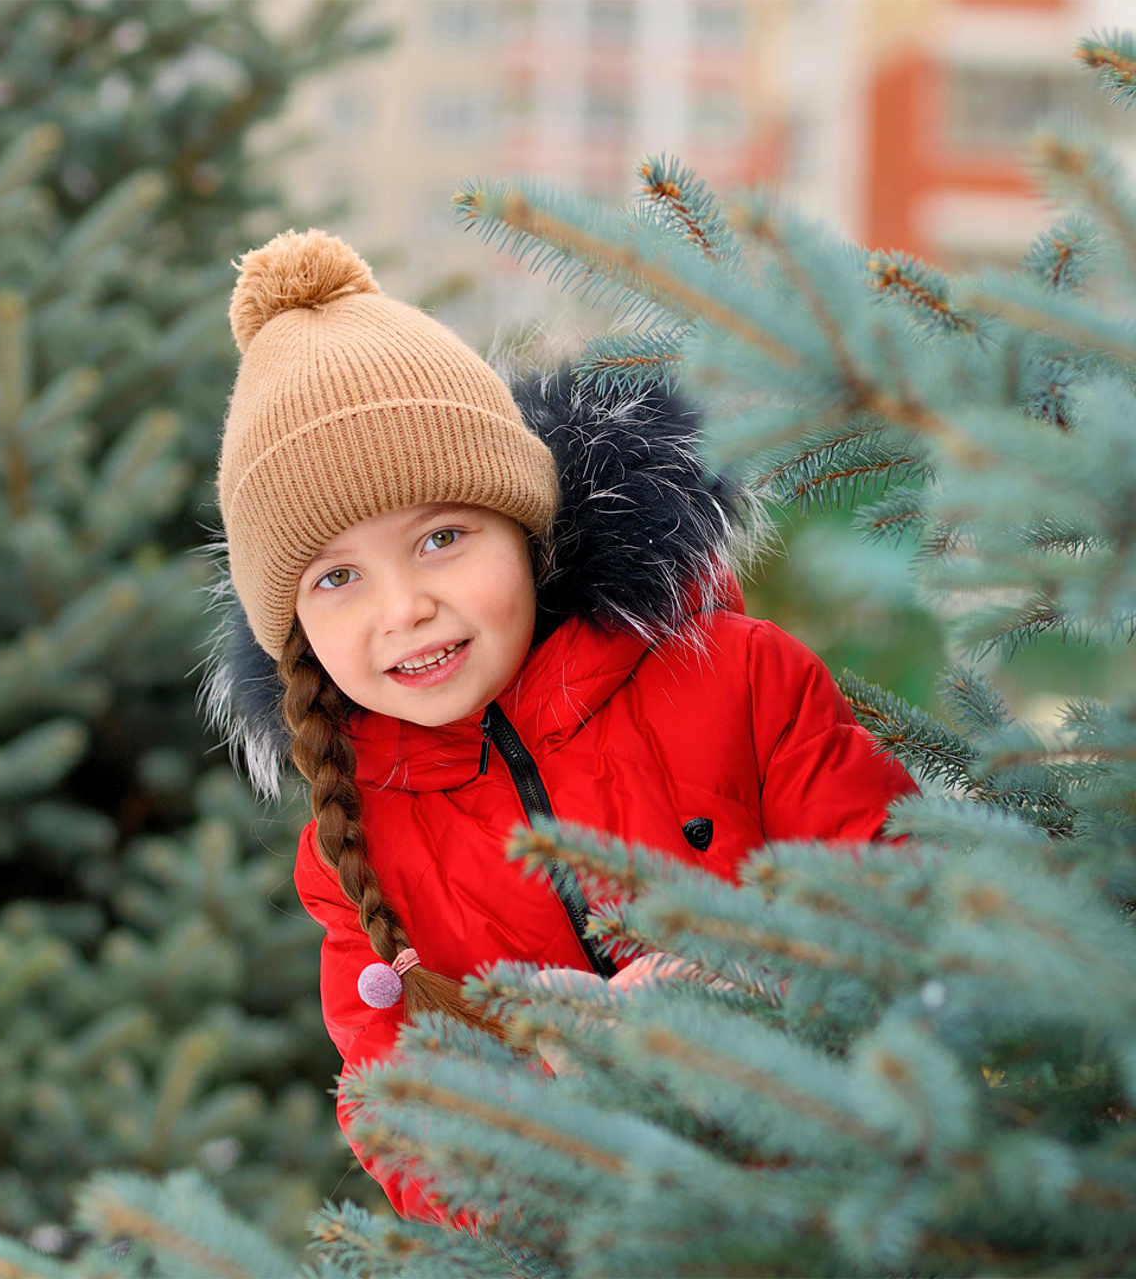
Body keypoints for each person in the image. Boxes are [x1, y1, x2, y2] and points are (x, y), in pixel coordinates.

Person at [205, 229, 917, 1220]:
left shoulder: (739, 679)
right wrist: (560, 1112)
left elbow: (897, 898)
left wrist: (737, 986)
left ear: (526, 525)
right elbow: (405, 1122)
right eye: (335, 577)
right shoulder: (351, 853)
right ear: (293, 630)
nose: (401, 606)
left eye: (441, 537)